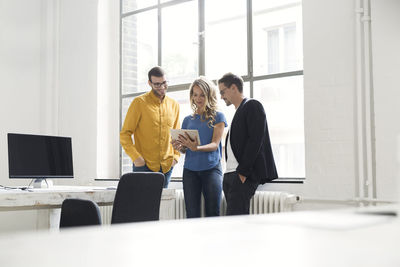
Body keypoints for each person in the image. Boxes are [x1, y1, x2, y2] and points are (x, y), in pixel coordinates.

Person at [218, 73, 278, 215]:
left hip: (241, 174)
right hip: (230, 174)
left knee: (236, 221)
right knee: (234, 220)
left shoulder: (252, 105)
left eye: (222, 92)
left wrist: (243, 173)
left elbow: (255, 140)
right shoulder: (238, 111)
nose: (221, 96)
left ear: (233, 88)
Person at [171, 77, 227, 218]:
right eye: (195, 94)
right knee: (192, 214)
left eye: (202, 94)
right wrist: (180, 146)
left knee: (213, 212)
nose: (198, 98)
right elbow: (186, 149)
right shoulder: (187, 120)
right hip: (190, 171)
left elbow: (215, 145)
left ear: (209, 95)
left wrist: (197, 148)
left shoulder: (218, 116)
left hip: (211, 170)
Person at [120, 66, 180, 188]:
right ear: (149, 83)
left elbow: (177, 135)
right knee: (142, 206)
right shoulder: (139, 103)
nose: (162, 87)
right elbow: (125, 134)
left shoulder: (174, 105)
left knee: (161, 206)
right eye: (157, 84)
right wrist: (137, 158)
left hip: (167, 167)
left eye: (164, 83)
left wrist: (175, 157)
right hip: (143, 166)